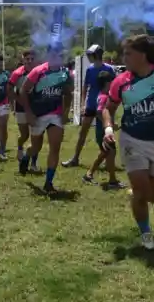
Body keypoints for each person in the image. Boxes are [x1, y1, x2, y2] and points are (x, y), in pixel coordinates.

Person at [102, 34, 154, 250]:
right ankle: (145, 234)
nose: (124, 58)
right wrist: (107, 128)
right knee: (142, 191)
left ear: (143, 56)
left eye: (128, 54)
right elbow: (108, 107)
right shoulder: (121, 81)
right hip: (131, 139)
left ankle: (137, 195)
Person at [18, 42, 73, 194]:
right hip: (38, 114)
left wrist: (65, 113)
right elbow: (23, 91)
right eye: (55, 54)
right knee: (36, 147)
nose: (58, 57)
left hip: (55, 114)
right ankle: (26, 158)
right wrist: (28, 113)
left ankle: (48, 183)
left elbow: (68, 93)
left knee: (55, 148)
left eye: (60, 54)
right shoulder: (38, 71)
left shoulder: (65, 73)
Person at [63, 45, 115, 168]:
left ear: (96, 55)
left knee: (102, 135)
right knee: (83, 132)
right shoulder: (90, 69)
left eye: (90, 55)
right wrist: (83, 104)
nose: (88, 57)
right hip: (91, 104)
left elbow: (114, 86)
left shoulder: (109, 69)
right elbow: (85, 87)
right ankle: (75, 158)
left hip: (103, 106)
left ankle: (106, 159)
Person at [83, 70, 123, 188]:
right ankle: (112, 180)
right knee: (111, 152)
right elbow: (99, 112)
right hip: (102, 131)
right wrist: (109, 125)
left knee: (104, 153)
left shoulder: (103, 95)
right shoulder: (104, 97)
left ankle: (89, 174)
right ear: (107, 83)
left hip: (103, 130)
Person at [9, 49, 38, 171]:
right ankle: (20, 146)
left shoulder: (39, 72)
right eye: (27, 59)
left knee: (36, 136)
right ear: (23, 60)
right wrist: (18, 101)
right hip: (21, 108)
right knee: (25, 135)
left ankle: (33, 164)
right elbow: (9, 90)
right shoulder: (17, 73)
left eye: (32, 59)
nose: (30, 61)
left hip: (36, 108)